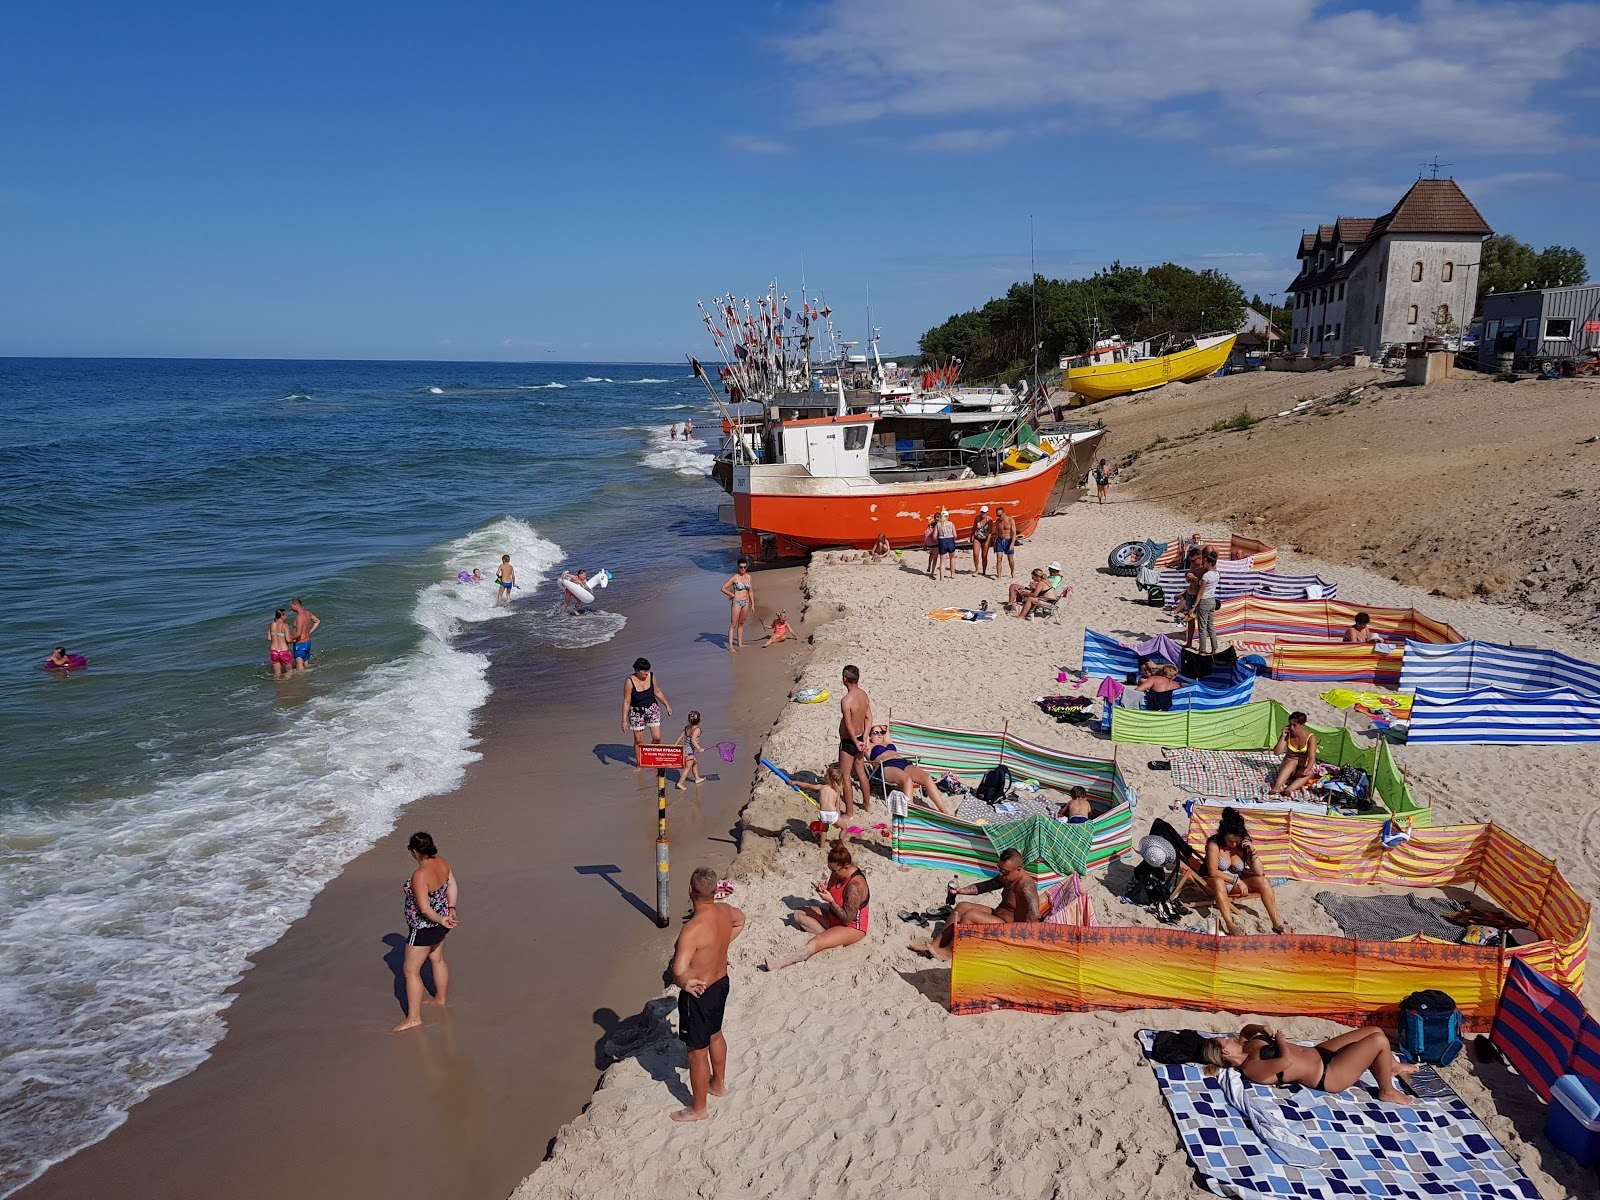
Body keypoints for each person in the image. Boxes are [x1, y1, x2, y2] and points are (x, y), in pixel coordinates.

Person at [669, 866, 745, 1122]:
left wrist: (685, 983)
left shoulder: (691, 930)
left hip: (699, 993)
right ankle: (718, 1085)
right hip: (721, 983)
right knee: (716, 1033)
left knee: (696, 1051)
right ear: (715, 891)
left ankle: (698, 1108)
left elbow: (678, 970)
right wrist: (721, 948)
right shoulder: (725, 911)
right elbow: (741, 919)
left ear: (690, 890)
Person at [1202, 1024, 1417, 1105]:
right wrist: (1280, 1042)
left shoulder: (1245, 1045)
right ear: (1225, 1052)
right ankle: (1386, 1092)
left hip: (1320, 1052)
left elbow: (1245, 1030)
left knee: (1374, 1031)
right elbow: (1286, 1061)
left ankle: (1392, 1067)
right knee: (1378, 1042)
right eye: (1225, 1040)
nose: (1228, 1038)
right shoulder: (1251, 1067)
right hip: (1328, 1074)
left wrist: (1261, 1027)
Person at [910, 848, 1038, 959]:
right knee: (962, 907)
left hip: (1009, 927)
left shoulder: (1026, 885)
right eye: (999, 868)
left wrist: (1021, 939)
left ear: (1018, 869)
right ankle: (934, 945)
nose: (1001, 874)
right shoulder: (1008, 876)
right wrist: (961, 891)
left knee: (970, 915)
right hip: (998, 916)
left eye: (1004, 871)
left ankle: (950, 951)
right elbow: (986, 886)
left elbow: (1034, 913)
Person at [766, 841, 870, 971]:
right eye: (830, 869)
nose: (832, 873)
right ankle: (831, 937)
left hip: (852, 926)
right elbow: (832, 889)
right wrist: (824, 889)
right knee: (798, 914)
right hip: (834, 917)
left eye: (835, 871)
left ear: (846, 867)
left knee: (815, 942)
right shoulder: (837, 872)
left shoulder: (854, 887)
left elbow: (847, 919)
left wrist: (831, 901)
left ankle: (781, 962)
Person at [393, 831, 457, 1033]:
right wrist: (450, 910)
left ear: (414, 852)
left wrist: (440, 918)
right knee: (437, 959)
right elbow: (452, 884)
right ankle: (440, 998)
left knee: (410, 971)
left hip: (423, 928)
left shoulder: (419, 875)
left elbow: (424, 909)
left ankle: (414, 1018)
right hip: (442, 924)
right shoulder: (442, 862)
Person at [1205, 807, 1285, 935]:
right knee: (1219, 881)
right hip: (1214, 883)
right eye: (1231, 841)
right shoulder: (1214, 844)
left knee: (1263, 881)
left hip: (1236, 884)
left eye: (1237, 841)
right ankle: (1230, 925)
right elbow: (1213, 871)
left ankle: (1276, 923)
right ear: (1223, 835)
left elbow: (1259, 873)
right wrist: (1237, 881)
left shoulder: (1242, 844)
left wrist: (1252, 851)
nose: (1235, 844)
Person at [866, 725, 955, 815]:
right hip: (885, 765)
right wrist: (871, 727)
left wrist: (881, 727)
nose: (879, 735)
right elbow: (863, 733)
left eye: (881, 733)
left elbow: (887, 729)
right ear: (869, 736)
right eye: (876, 733)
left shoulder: (887, 742)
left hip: (902, 762)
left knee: (927, 778)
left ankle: (944, 812)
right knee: (907, 779)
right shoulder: (869, 746)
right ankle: (910, 811)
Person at [836, 665, 873, 817]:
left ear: (845, 679)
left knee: (845, 776)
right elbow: (869, 718)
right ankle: (866, 804)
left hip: (849, 741)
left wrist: (856, 742)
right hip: (860, 738)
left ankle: (849, 812)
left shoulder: (846, 701)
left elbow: (849, 726)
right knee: (861, 772)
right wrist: (864, 738)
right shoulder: (863, 695)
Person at [622, 657, 673, 765]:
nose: (646, 673)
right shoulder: (629, 681)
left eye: (648, 670)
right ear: (637, 670)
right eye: (644, 671)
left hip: (652, 708)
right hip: (636, 712)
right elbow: (626, 701)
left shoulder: (651, 676)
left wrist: (667, 705)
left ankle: (649, 755)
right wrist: (624, 720)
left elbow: (657, 692)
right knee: (638, 740)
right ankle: (640, 763)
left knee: (657, 738)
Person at [1271, 710, 1319, 794]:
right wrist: (1282, 737)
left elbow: (1312, 757)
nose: (1291, 728)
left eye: (1294, 725)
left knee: (1310, 772)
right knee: (1292, 762)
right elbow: (1277, 752)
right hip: (1288, 766)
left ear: (1302, 725)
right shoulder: (1288, 735)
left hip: (1301, 768)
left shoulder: (1310, 737)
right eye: (1290, 724)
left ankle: (1289, 789)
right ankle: (1276, 787)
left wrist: (1307, 769)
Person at [721, 558, 755, 652]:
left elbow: (750, 591)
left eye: (744, 567)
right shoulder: (735, 578)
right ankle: (731, 647)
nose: (743, 569)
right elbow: (723, 588)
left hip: (746, 602)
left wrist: (753, 604)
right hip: (737, 602)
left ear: (747, 567)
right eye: (741, 567)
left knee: (741, 624)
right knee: (733, 624)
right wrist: (733, 595)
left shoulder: (749, 577)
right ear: (738, 567)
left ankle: (740, 643)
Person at [1192, 549, 1220, 654]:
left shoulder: (1206, 576)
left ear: (1209, 563)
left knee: (1202, 628)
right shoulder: (1217, 574)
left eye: (1204, 563)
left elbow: (1200, 592)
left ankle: (1202, 650)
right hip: (1212, 600)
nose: (1202, 565)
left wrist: (1194, 606)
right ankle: (1214, 648)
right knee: (1211, 626)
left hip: (1204, 601)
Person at [675, 711, 706, 790]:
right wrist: (699, 748)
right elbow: (693, 740)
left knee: (695, 763)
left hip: (685, 749)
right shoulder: (697, 730)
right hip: (689, 752)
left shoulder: (687, 728)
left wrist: (675, 745)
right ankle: (680, 783)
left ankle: (697, 778)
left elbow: (681, 736)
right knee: (687, 768)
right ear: (700, 720)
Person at [288, 597, 320, 670]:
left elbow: (298, 633)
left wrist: (289, 639)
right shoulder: (308, 613)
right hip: (307, 641)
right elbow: (317, 621)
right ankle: (310, 679)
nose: (291, 608)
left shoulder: (299, 617)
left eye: (291, 606)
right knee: (306, 664)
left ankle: (302, 681)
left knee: (299, 668)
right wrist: (309, 632)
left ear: (296, 605)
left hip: (300, 644)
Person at [267, 608, 293, 679]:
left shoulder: (272, 625)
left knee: (277, 674)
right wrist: (294, 640)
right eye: (285, 614)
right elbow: (288, 640)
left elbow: (269, 638)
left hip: (274, 651)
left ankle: (278, 686)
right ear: (282, 616)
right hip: (283, 651)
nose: (287, 616)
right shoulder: (285, 625)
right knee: (289, 671)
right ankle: (285, 685)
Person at [993, 508, 1018, 579]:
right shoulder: (997, 522)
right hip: (1000, 540)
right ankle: (999, 576)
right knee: (998, 559)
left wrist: (1012, 544)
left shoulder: (1010, 520)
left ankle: (1012, 572)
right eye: (997, 515)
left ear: (1004, 513)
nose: (999, 517)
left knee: (1010, 559)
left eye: (1000, 515)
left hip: (1008, 540)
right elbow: (997, 533)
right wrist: (995, 544)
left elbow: (1014, 533)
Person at [971, 504, 993, 577]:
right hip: (977, 538)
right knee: (975, 554)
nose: (982, 514)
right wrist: (971, 536)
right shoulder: (977, 518)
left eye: (984, 512)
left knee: (984, 556)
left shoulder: (989, 520)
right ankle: (976, 569)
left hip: (985, 538)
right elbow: (974, 527)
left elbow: (990, 532)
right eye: (982, 512)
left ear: (987, 512)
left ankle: (984, 571)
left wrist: (987, 542)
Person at [935, 509, 957, 580]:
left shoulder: (938, 524)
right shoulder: (951, 524)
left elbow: (934, 536)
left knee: (942, 562)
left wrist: (937, 540)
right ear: (947, 516)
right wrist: (954, 540)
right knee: (952, 558)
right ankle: (952, 574)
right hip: (950, 540)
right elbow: (955, 535)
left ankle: (941, 578)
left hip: (942, 541)